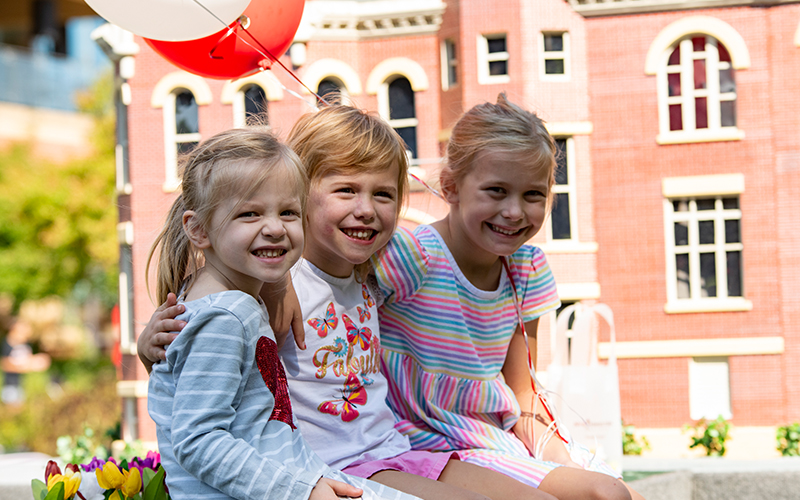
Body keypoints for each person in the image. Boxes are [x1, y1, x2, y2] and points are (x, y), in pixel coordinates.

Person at [141, 104, 559, 500]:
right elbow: (197, 380)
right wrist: (153, 347)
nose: (366, 210)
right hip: (332, 466)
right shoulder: (268, 289)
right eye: (345, 190)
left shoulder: (369, 269)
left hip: (394, 447)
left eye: (383, 195)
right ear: (302, 195)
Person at [371, 94, 643, 500]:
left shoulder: (527, 268)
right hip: (424, 445)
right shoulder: (412, 257)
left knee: (620, 494)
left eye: (533, 195)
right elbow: (333, 301)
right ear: (450, 186)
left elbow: (522, 391)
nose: (514, 211)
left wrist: (561, 458)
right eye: (496, 191)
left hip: (495, 440)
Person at [144, 126, 419, 500]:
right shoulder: (225, 316)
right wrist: (303, 492)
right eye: (249, 214)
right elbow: (198, 442)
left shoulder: (228, 302)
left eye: (288, 212)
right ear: (198, 229)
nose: (275, 228)